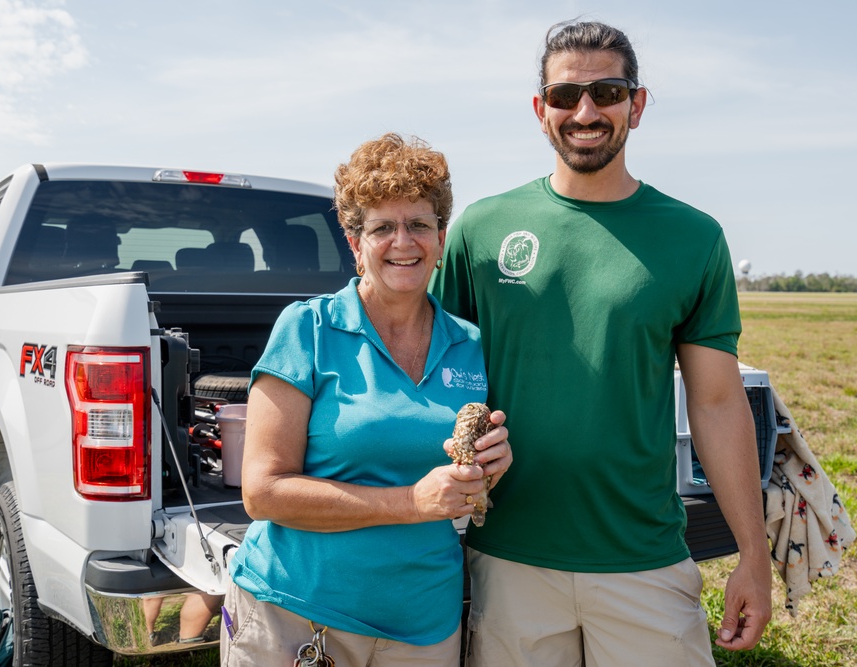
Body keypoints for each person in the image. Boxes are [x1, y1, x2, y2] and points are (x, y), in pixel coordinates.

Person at [431, 19, 772, 666]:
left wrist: (753, 555)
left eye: (608, 92)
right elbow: (432, 374)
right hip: (507, 555)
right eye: (564, 97)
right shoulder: (482, 228)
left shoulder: (693, 238)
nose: (585, 111)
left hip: (643, 557)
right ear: (540, 111)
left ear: (636, 105)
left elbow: (719, 402)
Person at [222, 132, 512, 666]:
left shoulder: (468, 344)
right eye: (383, 227)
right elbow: (262, 493)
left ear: (441, 238)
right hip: (300, 618)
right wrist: (411, 503)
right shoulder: (308, 329)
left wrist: (490, 465)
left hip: (423, 626)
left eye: (419, 224)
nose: (404, 241)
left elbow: (453, 473)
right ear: (356, 244)